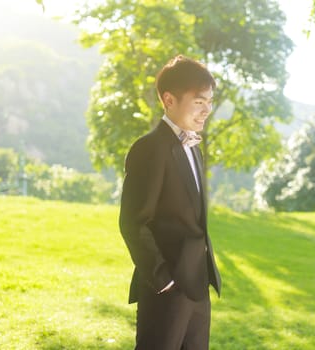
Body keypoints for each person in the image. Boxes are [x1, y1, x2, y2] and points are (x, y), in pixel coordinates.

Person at [119, 54, 221, 350]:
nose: (207, 111)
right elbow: (133, 223)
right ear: (169, 100)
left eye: (210, 102)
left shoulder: (195, 149)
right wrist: (164, 280)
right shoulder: (149, 148)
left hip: (198, 285)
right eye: (199, 102)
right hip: (167, 288)